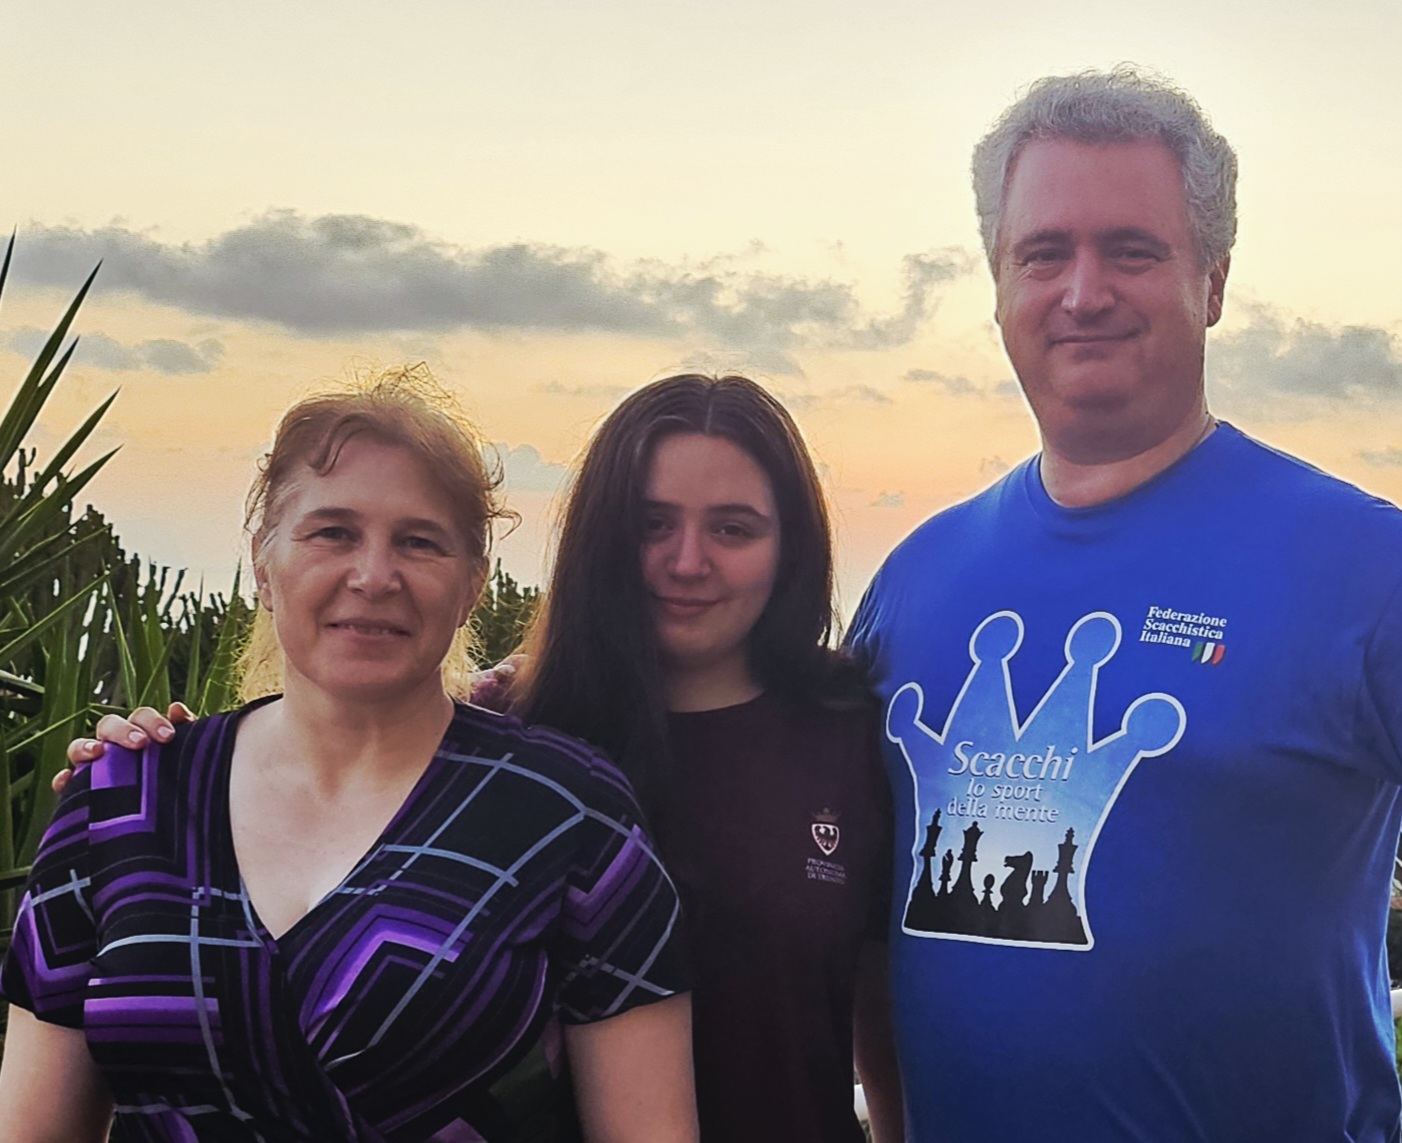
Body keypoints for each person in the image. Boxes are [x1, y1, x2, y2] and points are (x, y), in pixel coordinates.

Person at [69, 374, 904, 1143]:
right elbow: (315, 782)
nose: (688, 561)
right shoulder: (508, 733)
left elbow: (881, 1003)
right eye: (650, 524)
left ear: (791, 546)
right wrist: (151, 776)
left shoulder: (852, 734)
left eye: (733, 527)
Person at [846, 67, 1402, 1141]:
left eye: (1132, 250)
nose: (1082, 291)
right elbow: (851, 902)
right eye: (1042, 253)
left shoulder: (1364, 565)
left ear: (1214, 282)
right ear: (997, 282)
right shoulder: (915, 580)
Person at [0, 370, 697, 1143]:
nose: (373, 575)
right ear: (264, 564)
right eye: (333, 531)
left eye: (419, 541)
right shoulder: (121, 798)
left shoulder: (568, 812)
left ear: (472, 586)